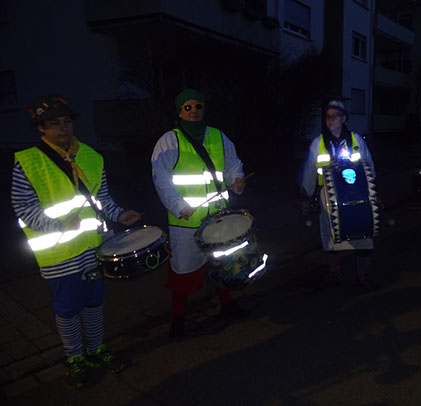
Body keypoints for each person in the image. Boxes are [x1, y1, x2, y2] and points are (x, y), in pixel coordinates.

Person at [11, 95, 142, 389]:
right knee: (68, 308)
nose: (63, 129)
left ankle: (96, 350)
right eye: (54, 124)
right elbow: (23, 208)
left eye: (67, 122)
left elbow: (102, 199)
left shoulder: (92, 157)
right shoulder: (28, 161)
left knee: (94, 302)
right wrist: (57, 224)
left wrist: (121, 214)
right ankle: (75, 358)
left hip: (94, 247)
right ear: (41, 128)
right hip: (57, 251)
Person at [151, 88, 247, 340]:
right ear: (179, 111)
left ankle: (227, 305)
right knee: (183, 271)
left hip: (218, 217)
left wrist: (237, 180)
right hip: (186, 221)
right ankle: (178, 320)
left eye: (198, 106)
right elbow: (161, 179)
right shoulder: (169, 141)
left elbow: (233, 164)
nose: (193, 111)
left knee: (222, 263)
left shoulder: (218, 136)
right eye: (187, 107)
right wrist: (179, 206)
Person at [300, 100, 379, 290]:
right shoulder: (318, 143)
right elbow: (309, 172)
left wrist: (372, 191)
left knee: (363, 234)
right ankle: (334, 273)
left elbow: (369, 167)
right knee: (330, 237)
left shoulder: (356, 140)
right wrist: (306, 196)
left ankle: (363, 275)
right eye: (328, 116)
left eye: (335, 116)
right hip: (328, 197)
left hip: (357, 194)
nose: (331, 120)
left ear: (343, 118)